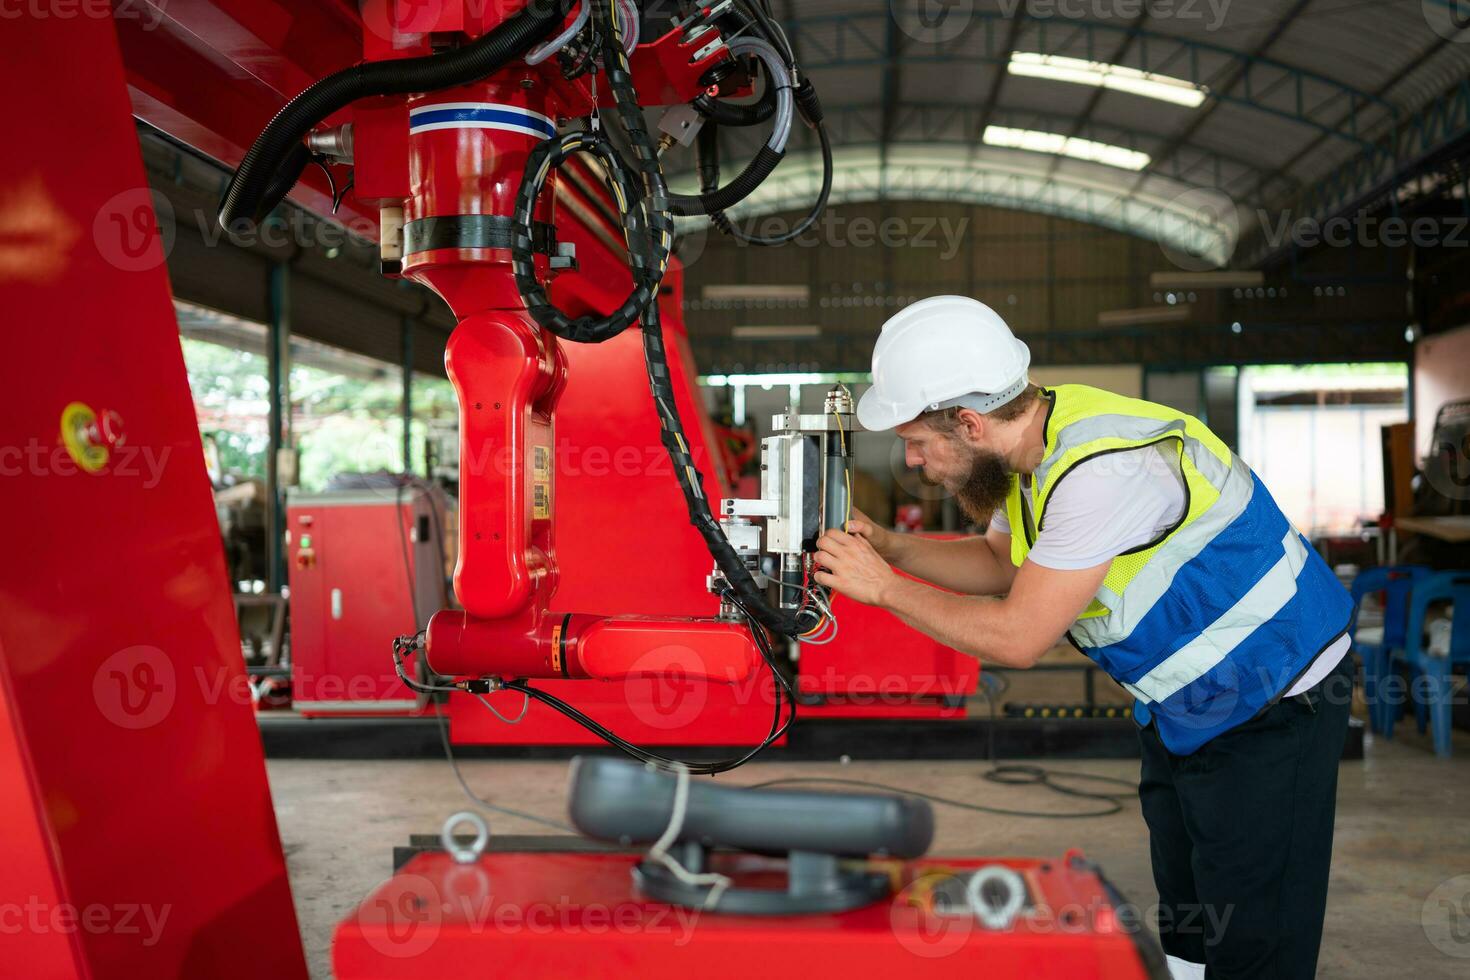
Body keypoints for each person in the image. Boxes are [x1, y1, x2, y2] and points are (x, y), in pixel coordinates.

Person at [814, 295, 1354, 980]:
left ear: (970, 424)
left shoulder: (1102, 471)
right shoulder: (1032, 450)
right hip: (1188, 703)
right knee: (1188, 903)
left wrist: (883, 588)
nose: (915, 462)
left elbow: (1018, 636)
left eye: (918, 443)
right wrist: (890, 548)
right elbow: (999, 565)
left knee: (1254, 925)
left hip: (1276, 692)